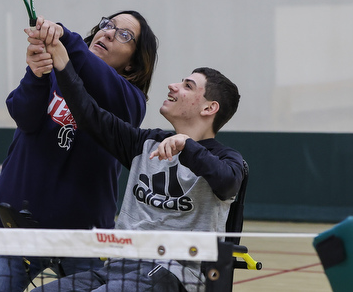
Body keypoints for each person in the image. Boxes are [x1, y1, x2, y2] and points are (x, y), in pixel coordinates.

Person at [33, 31, 244, 292]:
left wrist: (187, 146)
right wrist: (63, 64)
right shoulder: (143, 144)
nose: (173, 86)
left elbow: (228, 182)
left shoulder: (226, 158)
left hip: (174, 274)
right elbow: (90, 115)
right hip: (117, 267)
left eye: (187, 86)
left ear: (209, 108)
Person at [0, 12, 159, 292]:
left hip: (83, 240)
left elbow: (102, 85)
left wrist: (66, 38)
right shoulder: (54, 74)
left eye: (124, 35)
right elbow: (24, 116)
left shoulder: (130, 101)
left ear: (132, 64)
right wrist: (36, 74)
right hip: (11, 227)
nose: (108, 33)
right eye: (107, 25)